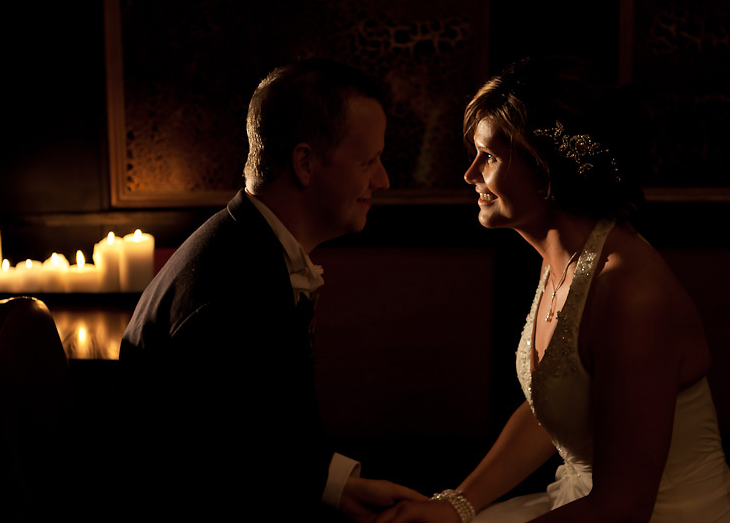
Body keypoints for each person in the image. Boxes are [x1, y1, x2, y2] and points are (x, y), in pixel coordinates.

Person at [376, 56, 730, 522]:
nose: (471, 175)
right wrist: (455, 507)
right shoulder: (566, 256)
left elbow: (622, 507)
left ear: (546, 166)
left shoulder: (630, 294)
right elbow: (555, 402)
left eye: (490, 157)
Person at [118, 57, 423, 521]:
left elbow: (254, 441)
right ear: (304, 163)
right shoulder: (233, 293)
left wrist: (338, 486)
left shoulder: (244, 248)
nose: (382, 180)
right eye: (368, 161)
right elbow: (228, 487)